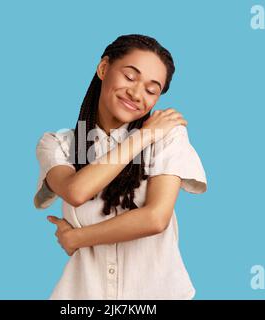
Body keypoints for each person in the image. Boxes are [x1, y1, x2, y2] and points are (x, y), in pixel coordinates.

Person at [34, 34, 207, 299]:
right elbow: (76, 191)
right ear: (104, 69)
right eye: (129, 76)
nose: (137, 94)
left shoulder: (168, 136)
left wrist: (78, 238)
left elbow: (155, 218)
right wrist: (142, 137)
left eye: (152, 90)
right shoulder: (57, 145)